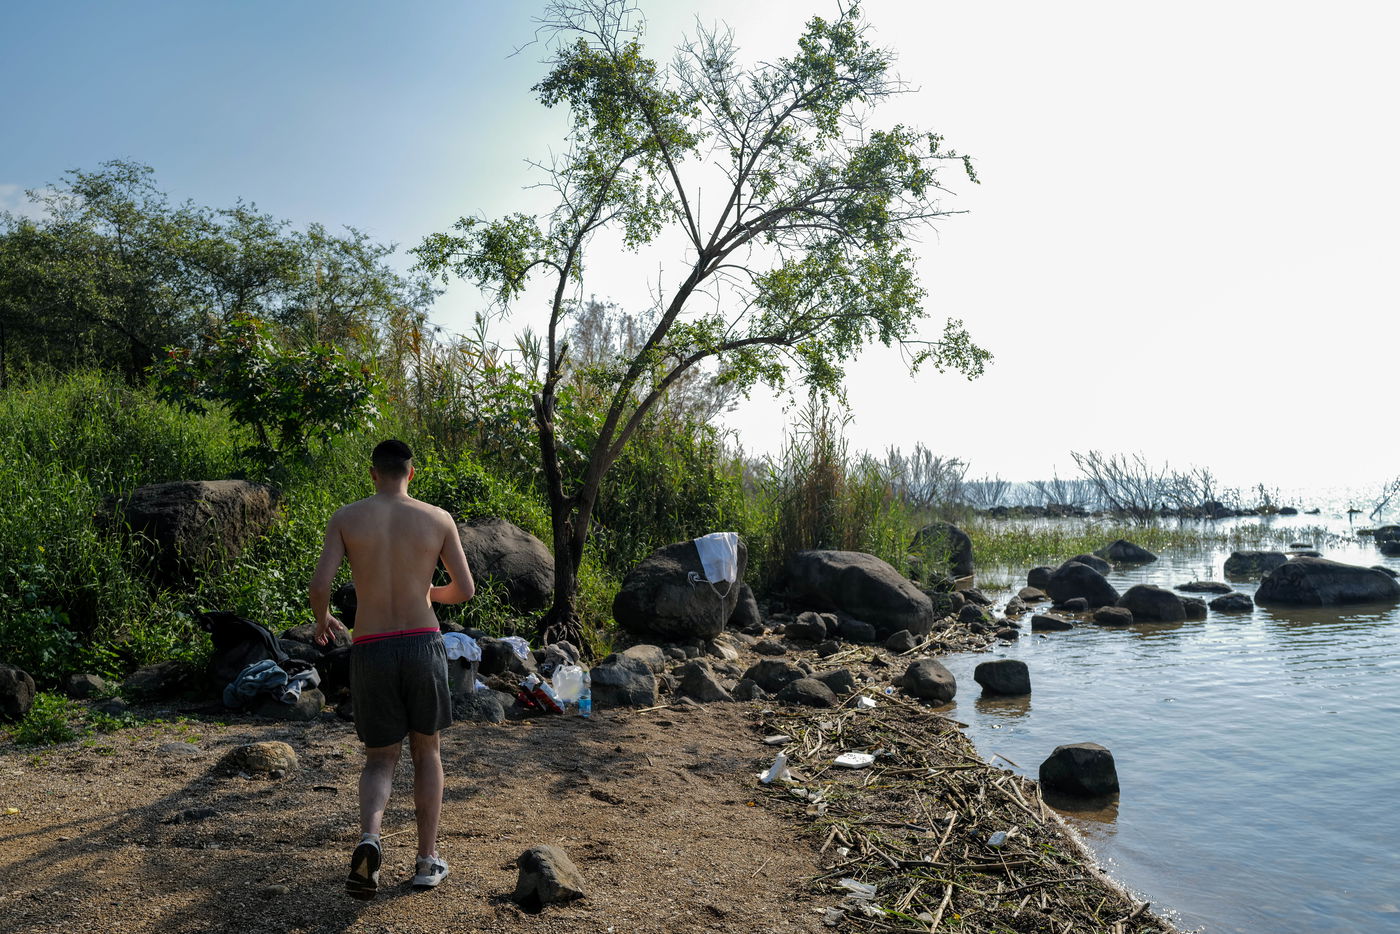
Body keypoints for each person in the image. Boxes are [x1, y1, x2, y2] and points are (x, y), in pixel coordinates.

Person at [309, 439, 475, 899]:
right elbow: (464, 589)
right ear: (411, 473)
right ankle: (426, 861)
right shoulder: (437, 518)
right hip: (423, 643)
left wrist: (323, 621)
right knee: (428, 751)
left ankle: (370, 840)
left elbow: (320, 584)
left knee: (380, 758)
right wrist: (428, 594)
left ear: (373, 474)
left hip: (371, 645)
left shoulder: (346, 517)